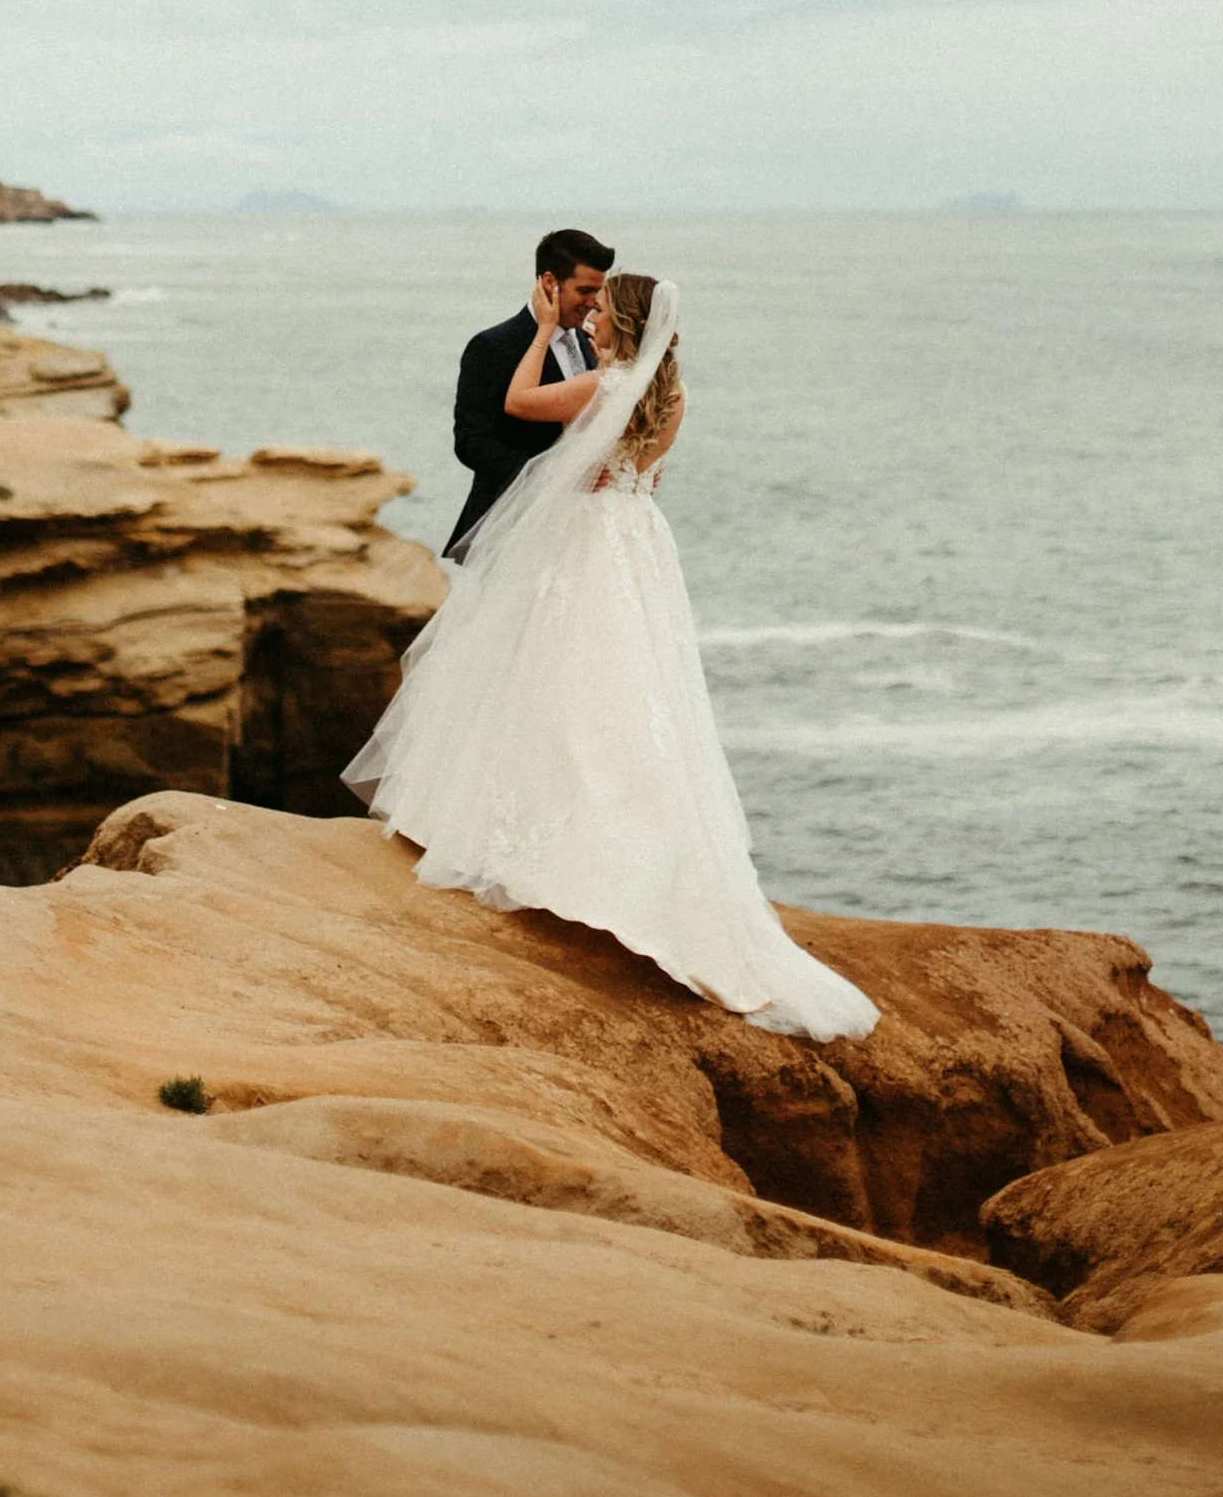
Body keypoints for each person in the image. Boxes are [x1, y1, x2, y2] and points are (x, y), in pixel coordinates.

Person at [345, 267, 878, 1040]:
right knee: (635, 684)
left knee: (556, 677)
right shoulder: (672, 393)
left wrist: (536, 331)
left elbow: (519, 404)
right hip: (637, 539)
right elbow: (642, 474)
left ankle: (553, 832)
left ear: (622, 323)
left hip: (589, 540)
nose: (588, 320)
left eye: (600, 313)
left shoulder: (605, 384)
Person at [445, 226, 612, 559]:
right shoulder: (493, 346)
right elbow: (470, 442)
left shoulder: (589, 343)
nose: (594, 303)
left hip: (578, 528)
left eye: (598, 291)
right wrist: (552, 473)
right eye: (584, 291)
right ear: (550, 282)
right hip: (510, 529)